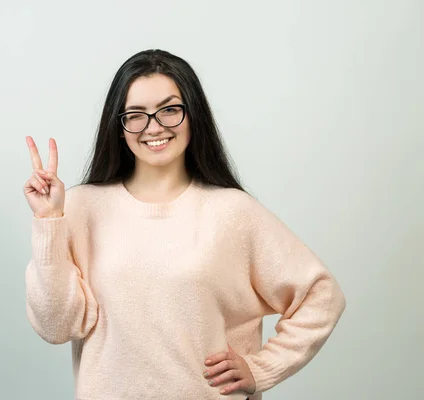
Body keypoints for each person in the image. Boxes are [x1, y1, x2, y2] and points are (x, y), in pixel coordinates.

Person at [23, 49, 346, 400]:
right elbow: (57, 327)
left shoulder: (233, 211)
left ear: (194, 115)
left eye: (170, 110)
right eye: (136, 115)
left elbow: (321, 295)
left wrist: (260, 367)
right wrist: (48, 220)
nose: (154, 127)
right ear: (119, 127)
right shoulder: (80, 208)